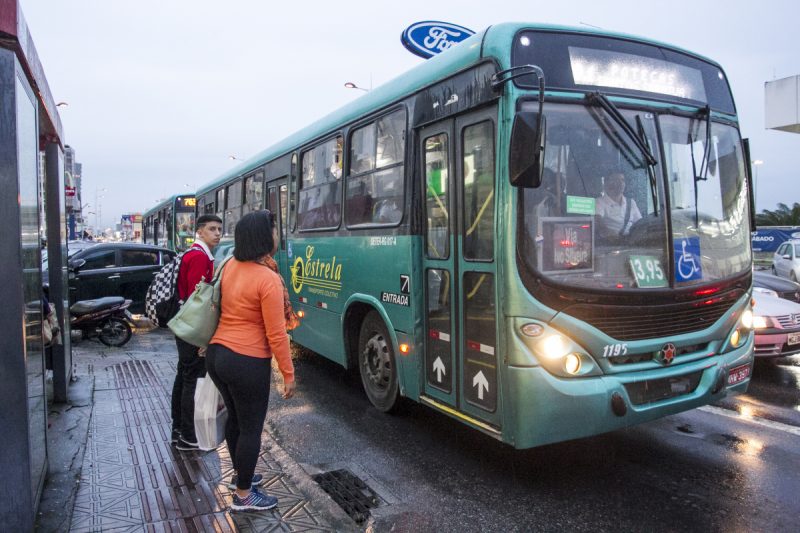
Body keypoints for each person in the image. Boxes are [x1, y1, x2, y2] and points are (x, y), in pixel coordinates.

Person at [206, 210, 297, 512]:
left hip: (218, 354)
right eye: (274, 231)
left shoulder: (229, 265)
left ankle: (239, 477)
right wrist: (288, 373)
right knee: (250, 429)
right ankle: (244, 495)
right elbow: (276, 334)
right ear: (265, 237)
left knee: (235, 419)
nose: (277, 236)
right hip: (246, 360)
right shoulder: (267, 278)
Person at [171, 214, 222, 451]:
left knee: (184, 376)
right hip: (193, 328)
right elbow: (199, 301)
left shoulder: (193, 254)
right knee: (192, 378)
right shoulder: (200, 258)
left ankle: (179, 429)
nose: (217, 233)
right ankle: (189, 436)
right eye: (212, 229)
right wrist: (205, 338)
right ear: (199, 232)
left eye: (220, 229)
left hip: (185, 326)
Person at [596, 172, 642, 238]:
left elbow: (639, 223)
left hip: (631, 243)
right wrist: (608, 233)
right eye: (616, 180)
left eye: (622, 180)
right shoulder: (599, 202)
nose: (621, 183)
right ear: (607, 184)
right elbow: (598, 222)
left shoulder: (631, 202)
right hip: (609, 244)